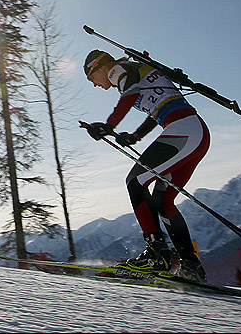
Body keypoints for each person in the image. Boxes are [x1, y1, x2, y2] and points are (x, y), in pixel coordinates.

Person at [83, 49, 209, 282]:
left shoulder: (116, 71)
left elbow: (130, 93)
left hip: (183, 130)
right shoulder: (138, 69)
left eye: (91, 79)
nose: (95, 85)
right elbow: (157, 109)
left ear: (98, 67)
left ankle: (156, 256)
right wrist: (134, 136)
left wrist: (108, 126)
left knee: (135, 181)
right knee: (162, 199)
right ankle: (190, 265)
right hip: (196, 131)